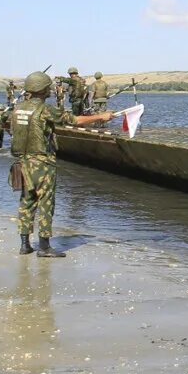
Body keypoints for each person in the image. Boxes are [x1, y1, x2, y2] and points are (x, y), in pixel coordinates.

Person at [10, 71, 113, 257]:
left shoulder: (17, 109)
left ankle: (24, 245)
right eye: (47, 87)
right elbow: (74, 120)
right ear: (41, 90)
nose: (50, 90)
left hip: (22, 162)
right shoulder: (45, 109)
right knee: (46, 203)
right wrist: (101, 117)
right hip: (42, 163)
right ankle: (44, 247)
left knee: (26, 202)